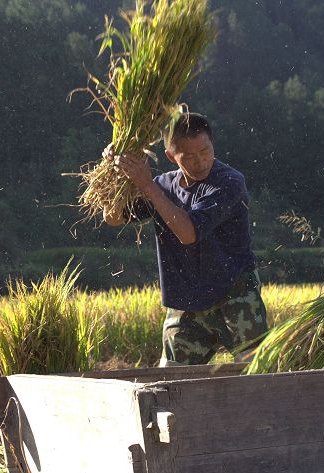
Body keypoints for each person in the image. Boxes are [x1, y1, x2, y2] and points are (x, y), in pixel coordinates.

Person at [104, 112, 268, 366]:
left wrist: (147, 186)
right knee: (171, 378)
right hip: (187, 302)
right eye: (189, 156)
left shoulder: (229, 182)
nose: (200, 162)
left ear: (213, 144)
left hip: (235, 296)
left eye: (205, 151)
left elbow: (189, 233)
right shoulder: (163, 185)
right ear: (171, 156)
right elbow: (113, 217)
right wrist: (115, 172)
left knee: (260, 375)